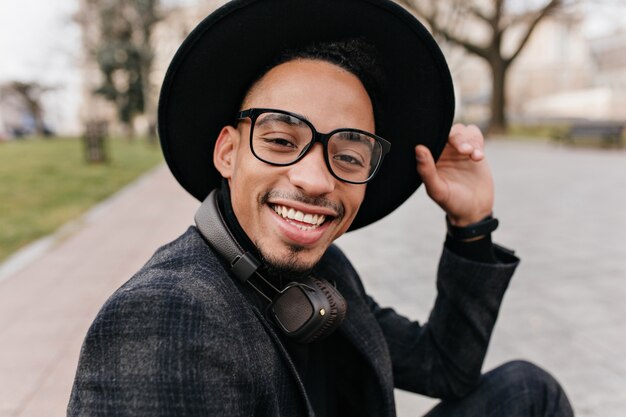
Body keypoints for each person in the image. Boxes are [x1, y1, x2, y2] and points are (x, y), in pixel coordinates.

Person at [68, 0, 574, 416]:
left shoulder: (321, 269)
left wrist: (470, 226)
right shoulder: (165, 317)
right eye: (282, 141)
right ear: (228, 151)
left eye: (348, 154)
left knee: (528, 393)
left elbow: (445, 369)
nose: (315, 179)